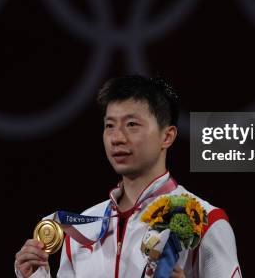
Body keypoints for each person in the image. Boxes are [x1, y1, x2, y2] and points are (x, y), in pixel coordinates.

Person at [15, 75, 242, 278]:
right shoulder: (81, 229)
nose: (117, 138)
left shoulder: (205, 221)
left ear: (167, 136)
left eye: (132, 125)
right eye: (110, 125)